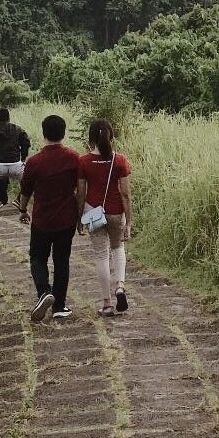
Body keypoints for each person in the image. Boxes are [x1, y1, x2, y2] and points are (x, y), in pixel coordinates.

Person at [17, 115, 80, 322]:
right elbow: (81, 190)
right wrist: (80, 217)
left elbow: (25, 190)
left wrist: (23, 209)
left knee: (37, 258)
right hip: (67, 219)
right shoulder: (73, 158)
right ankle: (60, 306)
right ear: (63, 132)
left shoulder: (34, 162)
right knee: (62, 260)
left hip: (42, 219)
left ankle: (44, 292)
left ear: (43, 133)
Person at [76, 119, 133, 317]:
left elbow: (81, 193)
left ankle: (107, 303)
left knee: (101, 255)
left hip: (93, 212)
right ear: (111, 137)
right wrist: (129, 221)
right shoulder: (120, 160)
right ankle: (120, 286)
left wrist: (78, 218)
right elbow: (125, 194)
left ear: (91, 138)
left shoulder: (83, 161)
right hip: (116, 211)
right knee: (118, 248)